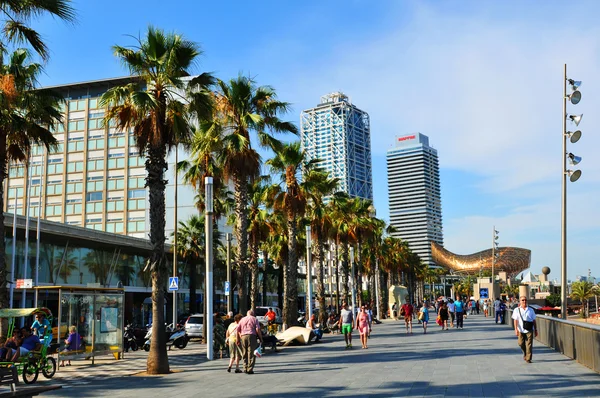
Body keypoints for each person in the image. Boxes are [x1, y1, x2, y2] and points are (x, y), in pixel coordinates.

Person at [236, 310, 263, 374]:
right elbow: (257, 329)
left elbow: (238, 330)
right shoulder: (254, 319)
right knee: (251, 352)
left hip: (243, 336)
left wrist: (238, 339)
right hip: (251, 336)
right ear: (253, 314)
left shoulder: (242, 319)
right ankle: (250, 369)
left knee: (244, 352)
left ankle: (245, 367)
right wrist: (260, 338)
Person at [512, 296, 537, 363]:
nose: (524, 301)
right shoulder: (516, 310)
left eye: (525, 300)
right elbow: (515, 320)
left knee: (529, 344)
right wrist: (515, 329)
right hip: (520, 329)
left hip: (529, 329)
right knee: (520, 343)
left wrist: (536, 329)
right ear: (520, 301)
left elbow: (534, 320)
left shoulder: (530, 310)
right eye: (522, 300)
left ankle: (528, 358)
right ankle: (525, 353)